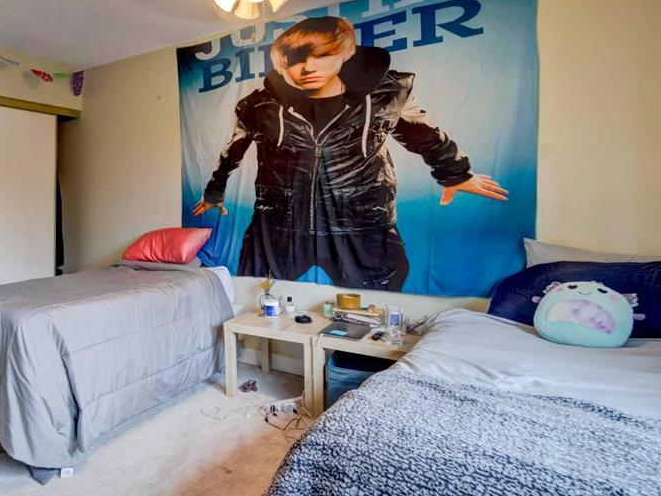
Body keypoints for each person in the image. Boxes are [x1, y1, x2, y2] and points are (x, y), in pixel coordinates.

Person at [193, 16, 508, 291]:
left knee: (376, 309)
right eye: (295, 60)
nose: (308, 67)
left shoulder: (387, 94)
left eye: (321, 55)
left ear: (344, 53)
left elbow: (423, 135)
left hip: (361, 225)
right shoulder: (258, 105)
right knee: (257, 300)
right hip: (279, 229)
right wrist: (215, 191)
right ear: (282, 65)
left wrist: (455, 174)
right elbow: (234, 149)